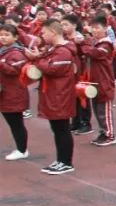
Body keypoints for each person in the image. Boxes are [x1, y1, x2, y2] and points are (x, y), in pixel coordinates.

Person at [25, 19, 79, 174]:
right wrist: (38, 57)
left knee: (61, 129)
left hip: (60, 94)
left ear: (53, 32)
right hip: (55, 93)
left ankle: (65, 162)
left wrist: (36, 58)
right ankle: (61, 160)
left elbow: (50, 69)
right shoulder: (55, 49)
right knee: (58, 129)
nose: (42, 35)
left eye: (44, 32)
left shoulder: (63, 51)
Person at [81, 16, 116, 146]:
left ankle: (110, 135)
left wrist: (83, 44)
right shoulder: (95, 42)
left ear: (105, 28)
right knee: (97, 108)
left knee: (104, 108)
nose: (95, 30)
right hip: (95, 80)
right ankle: (103, 132)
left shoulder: (106, 44)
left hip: (104, 81)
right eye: (93, 28)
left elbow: (94, 53)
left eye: (98, 28)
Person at [0, 24, 31, 160]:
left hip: (13, 93)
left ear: (15, 37)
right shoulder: (3, 50)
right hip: (5, 92)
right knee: (13, 122)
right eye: (1, 35)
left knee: (16, 123)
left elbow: (14, 71)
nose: (3, 37)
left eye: (7, 35)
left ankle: (22, 149)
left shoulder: (17, 53)